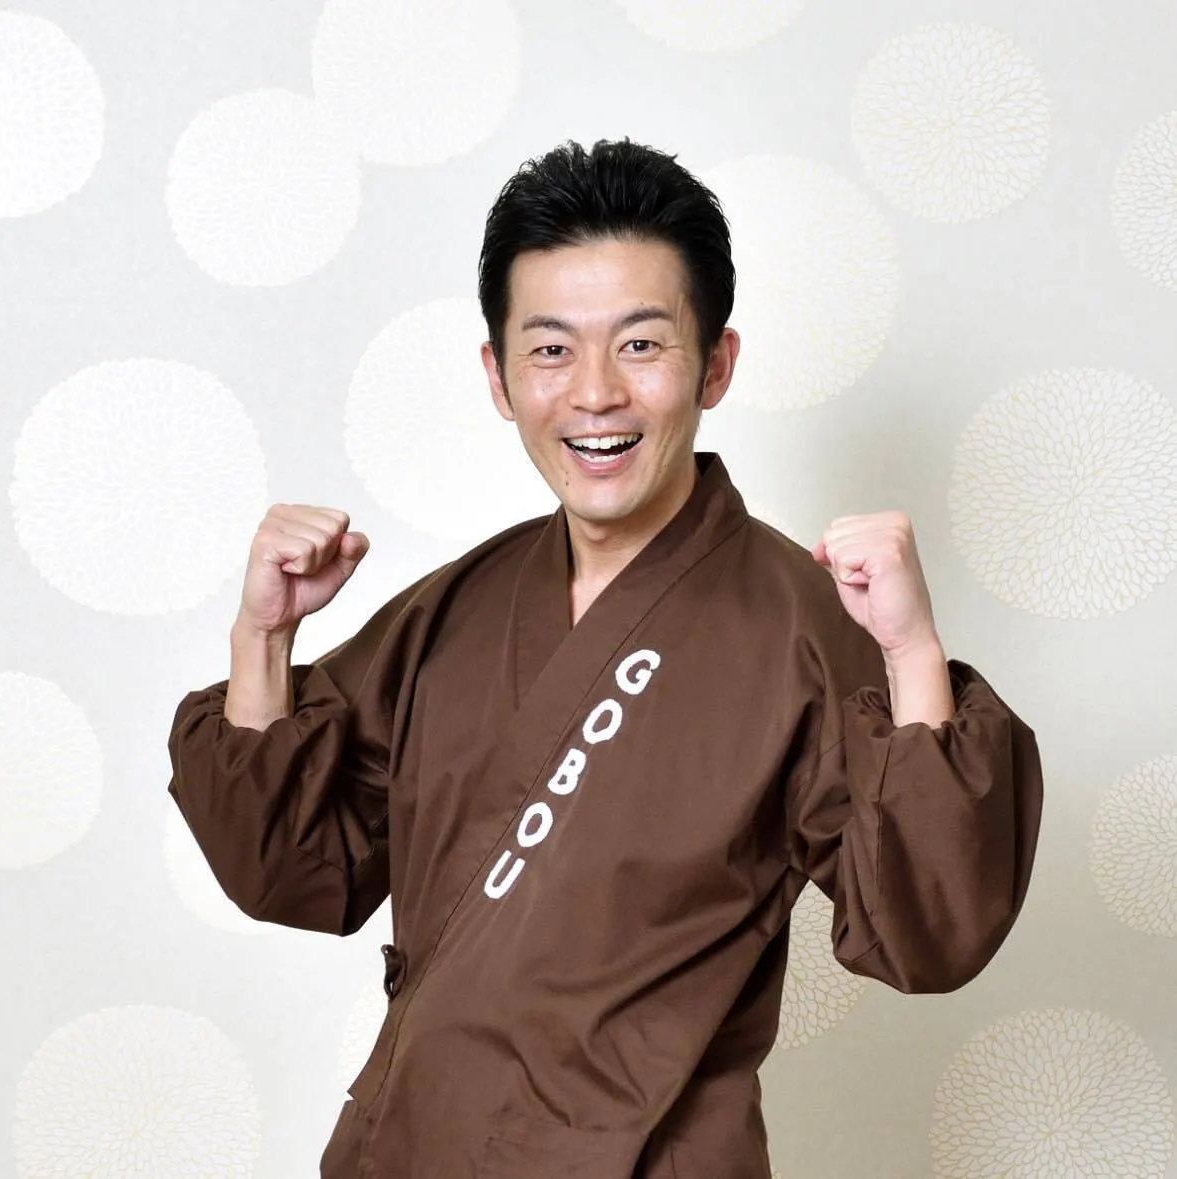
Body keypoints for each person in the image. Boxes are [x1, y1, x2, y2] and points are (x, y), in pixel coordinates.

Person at [167, 139, 1044, 1179]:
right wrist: (265, 637)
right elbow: (288, 869)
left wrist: (910, 649)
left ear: (714, 364)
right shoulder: (454, 608)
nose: (594, 394)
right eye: (550, 349)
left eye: (640, 345)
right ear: (498, 377)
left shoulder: (798, 622)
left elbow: (930, 929)